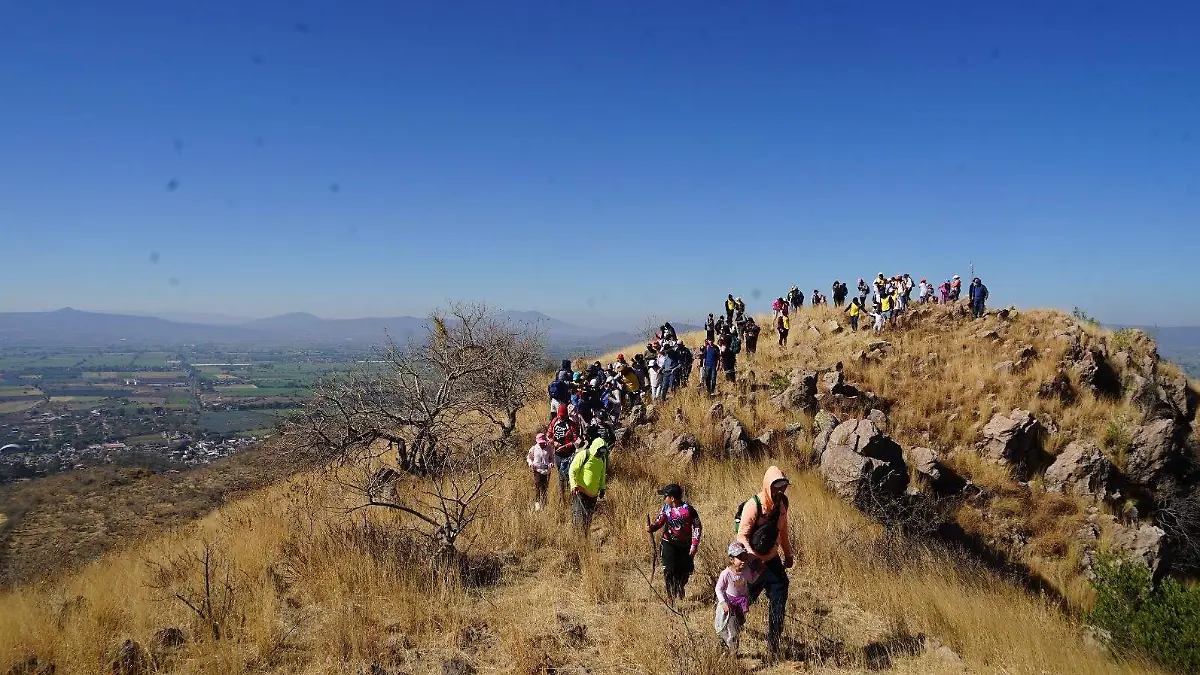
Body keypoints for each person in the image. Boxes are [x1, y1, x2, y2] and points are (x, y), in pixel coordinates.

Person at [736, 466, 794, 657]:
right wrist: (753, 560)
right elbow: (741, 537)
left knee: (779, 596)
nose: (780, 491)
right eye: (776, 487)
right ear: (768, 485)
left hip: (772, 560)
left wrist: (788, 554)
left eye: (783, 487)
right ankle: (731, 629)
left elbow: (782, 531)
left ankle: (773, 643)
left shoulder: (782, 505)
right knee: (744, 600)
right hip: (754, 563)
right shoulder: (754, 505)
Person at [647, 483, 703, 602]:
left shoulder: (689, 510)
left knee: (685, 571)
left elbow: (697, 526)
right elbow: (659, 521)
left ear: (672, 498)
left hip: (685, 545)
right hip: (669, 543)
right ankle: (671, 597)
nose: (663, 499)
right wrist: (651, 527)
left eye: (665, 496)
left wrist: (694, 545)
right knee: (669, 570)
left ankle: (679, 587)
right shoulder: (665, 509)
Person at [714, 542, 761, 654]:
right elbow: (718, 589)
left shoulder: (745, 571)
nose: (743, 560)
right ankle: (733, 653)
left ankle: (726, 646)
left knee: (737, 626)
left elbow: (751, 580)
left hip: (740, 604)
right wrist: (723, 602)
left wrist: (758, 572)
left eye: (745, 557)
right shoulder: (726, 574)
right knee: (731, 629)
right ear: (731, 559)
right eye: (740, 558)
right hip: (729, 605)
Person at [568, 427, 608, 532]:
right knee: (579, 518)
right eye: (600, 451)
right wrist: (574, 485)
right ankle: (577, 539)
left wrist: (602, 488)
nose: (601, 454)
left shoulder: (602, 459)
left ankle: (584, 537)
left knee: (588, 519)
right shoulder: (584, 455)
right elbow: (572, 470)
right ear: (595, 448)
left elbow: (602, 474)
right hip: (580, 491)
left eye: (603, 451)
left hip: (593, 495)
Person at [547, 404, 580, 495]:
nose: (560, 418)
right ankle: (562, 494)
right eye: (559, 416)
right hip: (557, 453)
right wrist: (553, 442)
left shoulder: (571, 424)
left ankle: (568, 492)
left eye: (562, 416)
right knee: (560, 474)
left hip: (568, 454)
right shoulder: (554, 422)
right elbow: (548, 435)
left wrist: (566, 446)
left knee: (567, 473)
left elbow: (576, 440)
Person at [527, 433, 554, 510]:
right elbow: (529, 458)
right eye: (540, 442)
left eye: (542, 442)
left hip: (546, 470)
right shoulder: (533, 448)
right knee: (538, 485)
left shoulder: (549, 448)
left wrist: (551, 463)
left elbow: (552, 458)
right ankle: (537, 503)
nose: (541, 444)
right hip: (537, 470)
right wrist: (531, 464)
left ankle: (544, 503)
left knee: (545, 487)